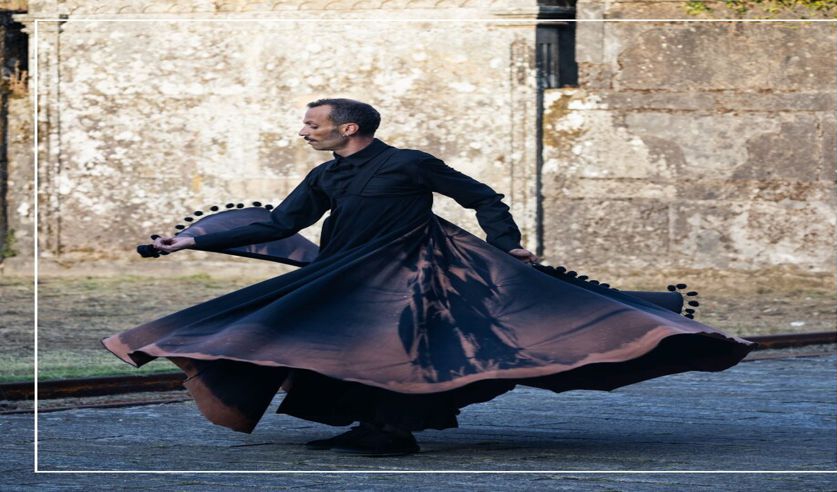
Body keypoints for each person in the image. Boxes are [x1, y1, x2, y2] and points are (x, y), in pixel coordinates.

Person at [104, 98, 753, 457]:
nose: (304, 132)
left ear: (346, 128)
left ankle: (393, 433)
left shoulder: (410, 164)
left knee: (407, 350)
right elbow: (280, 221)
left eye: (312, 124)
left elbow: (482, 196)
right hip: (349, 270)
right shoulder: (329, 176)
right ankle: (370, 427)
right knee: (336, 342)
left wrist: (510, 246)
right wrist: (187, 238)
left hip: (418, 267)